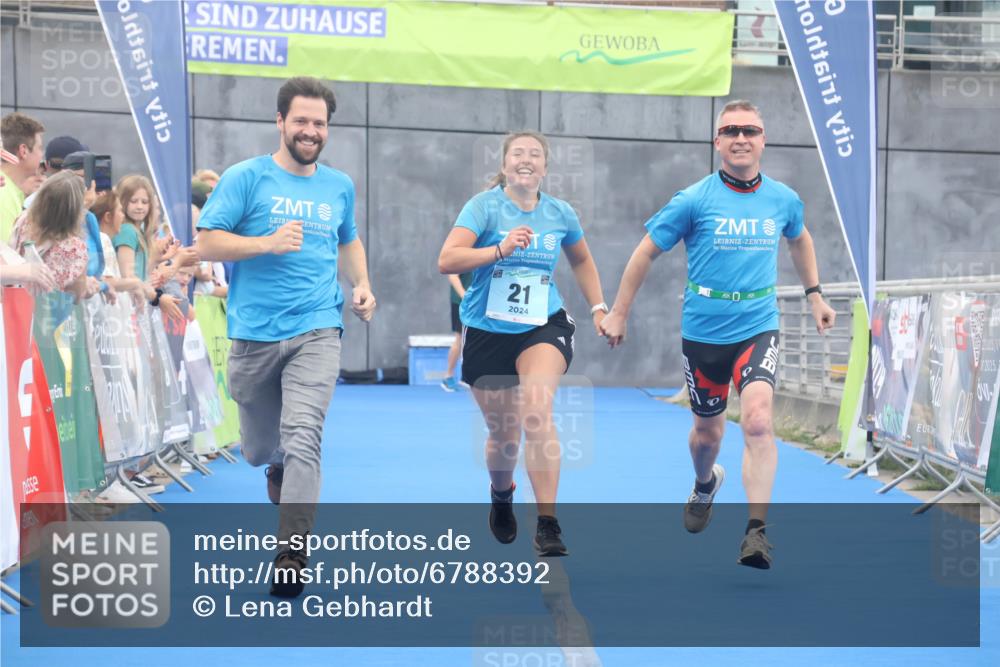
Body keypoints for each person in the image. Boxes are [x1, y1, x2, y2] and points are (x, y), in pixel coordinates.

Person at [599, 100, 836, 569]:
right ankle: (706, 483)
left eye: (750, 130)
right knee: (706, 435)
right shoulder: (693, 199)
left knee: (758, 422)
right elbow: (645, 252)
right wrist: (619, 312)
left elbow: (800, 236)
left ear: (763, 140)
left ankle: (756, 533)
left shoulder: (783, 198)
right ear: (718, 142)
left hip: (757, 325)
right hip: (704, 331)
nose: (741, 138)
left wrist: (815, 295)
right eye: (731, 131)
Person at [195, 77, 376, 597]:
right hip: (253, 333)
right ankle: (272, 463)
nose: (310, 130)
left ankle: (292, 551)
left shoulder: (338, 185)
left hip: (318, 327)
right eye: (301, 120)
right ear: (280, 122)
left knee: (304, 434)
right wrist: (266, 243)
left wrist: (361, 285)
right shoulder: (245, 178)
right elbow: (207, 242)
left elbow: (349, 239)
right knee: (258, 448)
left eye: (319, 123)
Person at [438, 130, 607, 557]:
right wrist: (498, 250)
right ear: (505, 165)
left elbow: (582, 258)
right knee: (503, 436)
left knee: (536, 411)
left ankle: (548, 523)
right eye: (518, 154)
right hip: (487, 330)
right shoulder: (483, 207)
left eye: (535, 154)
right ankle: (501, 494)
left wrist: (600, 307)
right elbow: (447, 259)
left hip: (542, 325)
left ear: (545, 168)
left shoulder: (560, 213)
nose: (526, 159)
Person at [8, 171, 97, 300]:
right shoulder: (73, 247)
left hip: (15, 302)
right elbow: (77, 296)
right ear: (74, 209)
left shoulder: (23, 221)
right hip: (47, 315)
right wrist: (89, 286)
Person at [1, 113, 45, 242]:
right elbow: (5, 257)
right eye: (40, 148)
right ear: (23, 151)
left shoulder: (10, 191)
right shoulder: (3, 193)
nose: (42, 155)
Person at [441, 271, 472, 391]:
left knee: (472, 339)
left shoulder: (485, 251)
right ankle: (448, 376)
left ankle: (466, 377)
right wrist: (464, 296)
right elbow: (453, 276)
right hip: (462, 303)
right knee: (459, 339)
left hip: (475, 303)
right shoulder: (464, 252)